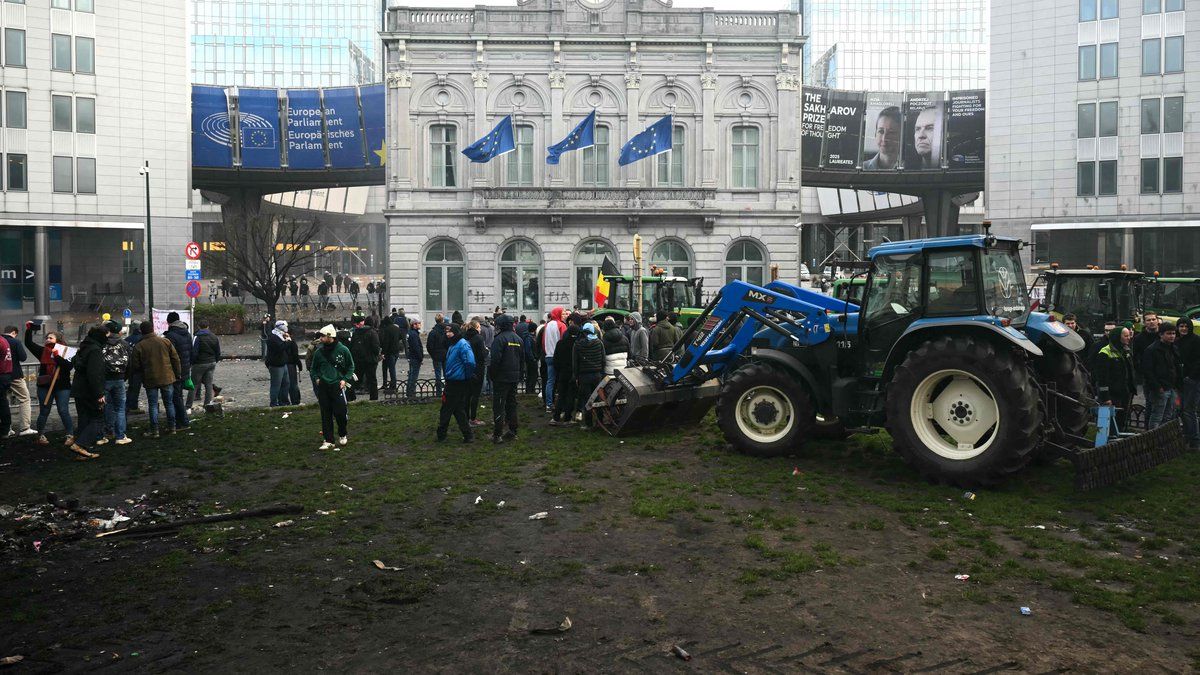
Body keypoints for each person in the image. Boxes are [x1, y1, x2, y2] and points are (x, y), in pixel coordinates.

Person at [25, 324, 74, 446]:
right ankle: (40, 435)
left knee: (63, 411)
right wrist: (29, 329)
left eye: (51, 338)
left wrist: (57, 356)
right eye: (47, 338)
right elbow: (28, 343)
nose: (48, 339)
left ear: (58, 339)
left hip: (62, 387)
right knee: (44, 411)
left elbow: (68, 367)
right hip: (45, 386)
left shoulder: (66, 351)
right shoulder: (42, 351)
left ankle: (70, 435)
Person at [130, 321, 180, 438]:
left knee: (152, 405)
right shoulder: (165, 341)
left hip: (150, 379)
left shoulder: (139, 346)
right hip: (167, 377)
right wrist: (177, 374)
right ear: (153, 329)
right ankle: (172, 427)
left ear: (141, 331)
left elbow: (135, 366)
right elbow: (175, 359)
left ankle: (154, 431)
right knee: (169, 403)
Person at [310, 324, 354, 450]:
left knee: (341, 413)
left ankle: (342, 433)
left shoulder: (343, 350)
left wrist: (345, 380)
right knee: (325, 413)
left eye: (323, 336)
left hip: (337, 385)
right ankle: (328, 439)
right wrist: (317, 378)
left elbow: (351, 366)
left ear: (330, 337)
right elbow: (314, 368)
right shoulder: (319, 352)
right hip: (323, 386)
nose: (321, 338)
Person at [69, 325, 110, 459]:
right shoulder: (95, 351)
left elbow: (77, 363)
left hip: (79, 390)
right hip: (90, 391)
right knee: (98, 418)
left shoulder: (83, 348)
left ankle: (81, 450)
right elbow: (94, 374)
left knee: (84, 419)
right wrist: (99, 394)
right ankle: (80, 444)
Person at [1091, 326, 1137, 434]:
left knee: (1123, 420)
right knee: (1111, 422)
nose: (1129, 338)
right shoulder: (1105, 352)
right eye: (1125, 336)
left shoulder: (1127, 351)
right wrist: (1105, 397)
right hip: (1113, 394)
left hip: (1125, 392)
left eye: (1129, 335)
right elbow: (1102, 378)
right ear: (1117, 337)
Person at [96, 320, 132, 446]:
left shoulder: (101, 343)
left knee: (104, 407)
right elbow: (130, 364)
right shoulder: (125, 344)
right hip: (119, 379)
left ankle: (104, 434)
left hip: (105, 379)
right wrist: (124, 377)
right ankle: (120, 436)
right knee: (120, 408)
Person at [437, 322, 475, 442]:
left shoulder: (462, 344)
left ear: (456, 332)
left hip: (457, 382)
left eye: (450, 331)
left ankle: (441, 434)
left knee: (446, 409)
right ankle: (468, 435)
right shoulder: (454, 344)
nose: (447, 334)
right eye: (446, 331)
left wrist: (467, 376)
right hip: (454, 381)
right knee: (458, 410)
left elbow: (470, 362)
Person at [488, 314, 523, 443]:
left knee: (499, 406)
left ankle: (497, 434)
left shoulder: (499, 339)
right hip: (514, 377)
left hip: (501, 378)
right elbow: (521, 359)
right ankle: (513, 431)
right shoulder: (518, 339)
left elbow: (495, 360)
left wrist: (493, 375)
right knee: (512, 404)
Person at [1142, 322, 1179, 429]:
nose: (1172, 336)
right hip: (1160, 388)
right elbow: (1148, 371)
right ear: (1161, 335)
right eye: (1169, 333)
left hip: (1171, 387)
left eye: (1173, 333)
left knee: (1168, 416)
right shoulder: (1152, 350)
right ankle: (1153, 440)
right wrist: (1157, 387)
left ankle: (1162, 440)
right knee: (1157, 416)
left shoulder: (1173, 348)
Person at [163, 312, 193, 431]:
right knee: (178, 396)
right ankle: (181, 421)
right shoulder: (187, 333)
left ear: (169, 322)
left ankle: (183, 422)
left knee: (176, 397)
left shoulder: (171, 336)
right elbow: (190, 350)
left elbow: (170, 355)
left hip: (175, 370)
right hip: (185, 368)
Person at [3, 326, 35, 437]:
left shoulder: (1, 341)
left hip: (2, 376)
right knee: (25, 398)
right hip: (15, 375)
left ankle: (6, 429)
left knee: (3, 401)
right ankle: (25, 428)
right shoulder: (15, 342)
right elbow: (23, 357)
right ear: (14, 332)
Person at [550, 317, 582, 426]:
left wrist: (559, 370)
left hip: (562, 373)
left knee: (561, 395)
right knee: (571, 396)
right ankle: (568, 418)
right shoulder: (578, 344)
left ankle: (556, 417)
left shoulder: (560, 343)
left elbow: (555, 360)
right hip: (573, 374)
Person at [573, 322, 606, 426]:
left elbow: (575, 362)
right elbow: (603, 360)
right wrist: (601, 371)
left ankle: (588, 423)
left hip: (584, 375)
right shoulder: (599, 342)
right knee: (598, 398)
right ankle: (600, 420)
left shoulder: (577, 344)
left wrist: (576, 376)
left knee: (587, 399)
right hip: (597, 375)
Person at [1174, 318, 1200, 449]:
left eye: (1186, 326)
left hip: (1193, 380)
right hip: (1181, 380)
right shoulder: (1177, 341)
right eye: (1181, 326)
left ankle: (1195, 440)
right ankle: (1187, 436)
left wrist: (1191, 376)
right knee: (1182, 410)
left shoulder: (1196, 340)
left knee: (1190, 410)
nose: (1183, 329)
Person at [189, 320, 221, 410]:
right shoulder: (214, 337)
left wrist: (192, 362)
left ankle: (188, 405)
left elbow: (194, 352)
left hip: (199, 363)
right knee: (208, 384)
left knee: (194, 384)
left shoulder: (197, 337)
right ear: (208, 326)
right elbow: (218, 351)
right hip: (211, 362)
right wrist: (215, 360)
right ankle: (207, 405)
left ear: (199, 327)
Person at [351, 315, 381, 401]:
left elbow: (352, 346)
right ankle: (374, 397)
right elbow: (376, 348)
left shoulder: (356, 332)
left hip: (359, 360)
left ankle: (351, 396)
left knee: (356, 379)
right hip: (370, 360)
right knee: (372, 380)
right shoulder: (372, 332)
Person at [464, 320, 488, 426]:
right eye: (479, 327)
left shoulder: (465, 337)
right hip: (478, 368)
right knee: (475, 395)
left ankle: (466, 417)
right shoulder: (479, 338)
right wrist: (486, 350)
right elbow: (482, 354)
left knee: (467, 394)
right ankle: (472, 419)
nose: (480, 329)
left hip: (468, 368)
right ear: (476, 327)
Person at [542, 307, 566, 411]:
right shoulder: (561, 325)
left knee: (550, 381)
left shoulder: (547, 325)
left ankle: (548, 404)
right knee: (561, 381)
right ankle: (561, 403)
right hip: (559, 357)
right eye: (563, 313)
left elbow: (543, 342)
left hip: (548, 356)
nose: (565, 315)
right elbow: (564, 342)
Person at [863, 106, 901, 170]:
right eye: (881, 131)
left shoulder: (908, 168)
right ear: (875, 134)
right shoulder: (864, 167)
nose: (884, 138)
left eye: (891, 132)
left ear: (900, 136)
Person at [265, 320, 291, 407]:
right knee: (276, 385)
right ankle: (274, 403)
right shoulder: (274, 337)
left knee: (286, 383)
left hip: (282, 363)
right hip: (276, 364)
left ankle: (283, 401)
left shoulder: (280, 335)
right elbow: (280, 348)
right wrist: (287, 341)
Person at [427, 313, 448, 396]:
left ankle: (438, 392)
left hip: (436, 356)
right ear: (442, 320)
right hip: (445, 355)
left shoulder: (433, 332)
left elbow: (429, 346)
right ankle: (447, 390)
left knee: (438, 374)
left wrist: (433, 354)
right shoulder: (446, 331)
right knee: (447, 374)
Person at [379, 315, 402, 391]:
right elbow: (401, 338)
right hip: (396, 351)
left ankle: (392, 386)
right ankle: (390, 384)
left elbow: (386, 342)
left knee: (390, 369)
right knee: (391, 369)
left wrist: (383, 353)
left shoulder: (387, 330)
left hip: (389, 352)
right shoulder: (396, 328)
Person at [516, 315, 537, 394]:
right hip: (531, 358)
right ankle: (530, 390)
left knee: (529, 374)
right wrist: (533, 358)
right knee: (532, 374)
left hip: (526, 356)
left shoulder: (525, 334)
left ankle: (530, 389)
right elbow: (528, 349)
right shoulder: (529, 337)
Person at [406, 318, 424, 399]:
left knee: (411, 375)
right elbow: (416, 347)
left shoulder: (412, 333)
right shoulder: (413, 334)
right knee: (413, 376)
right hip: (415, 358)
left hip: (413, 357)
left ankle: (409, 392)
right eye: (418, 323)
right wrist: (420, 357)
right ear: (414, 325)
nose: (419, 325)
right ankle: (411, 392)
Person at [285, 329, 303, 405]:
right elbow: (295, 356)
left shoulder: (281, 342)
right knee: (293, 384)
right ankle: (295, 401)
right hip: (291, 364)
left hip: (283, 364)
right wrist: (299, 365)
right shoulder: (292, 343)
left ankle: (284, 401)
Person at [0, 329, 11, 438]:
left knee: (2, 403)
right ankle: (5, 429)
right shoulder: (3, 340)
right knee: (3, 402)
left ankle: (4, 430)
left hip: (1, 375)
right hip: (5, 376)